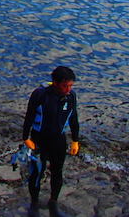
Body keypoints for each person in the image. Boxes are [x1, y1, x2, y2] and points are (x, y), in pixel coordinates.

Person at [22, 66, 80, 217]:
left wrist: (75, 140)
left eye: (70, 86)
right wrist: (25, 138)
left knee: (57, 172)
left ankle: (53, 202)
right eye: (64, 85)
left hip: (58, 140)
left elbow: (74, 119)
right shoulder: (40, 95)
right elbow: (29, 116)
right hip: (38, 139)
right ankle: (34, 204)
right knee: (36, 173)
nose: (68, 89)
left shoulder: (70, 96)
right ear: (55, 82)